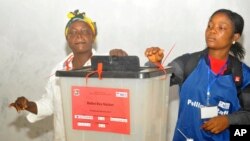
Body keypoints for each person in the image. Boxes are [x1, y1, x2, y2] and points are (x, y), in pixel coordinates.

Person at [9, 10, 127, 141]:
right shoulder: (58, 71)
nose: (79, 35)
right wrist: (28, 104)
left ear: (93, 37)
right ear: (67, 39)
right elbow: (49, 104)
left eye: (85, 31)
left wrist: (122, 62)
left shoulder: (107, 63)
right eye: (73, 32)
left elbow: (127, 95)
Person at [145, 9, 250, 141]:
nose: (212, 30)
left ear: (235, 37)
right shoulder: (188, 63)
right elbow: (156, 84)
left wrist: (228, 120)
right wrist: (154, 65)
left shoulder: (243, 74)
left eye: (221, 27)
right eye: (210, 26)